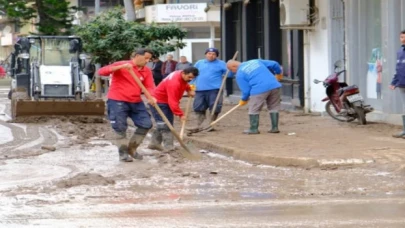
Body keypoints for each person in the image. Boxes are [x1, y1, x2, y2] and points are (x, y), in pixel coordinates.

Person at [98, 48, 156, 162]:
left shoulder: (146, 71)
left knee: (146, 124)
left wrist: (152, 97)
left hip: (135, 101)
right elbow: (101, 71)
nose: (147, 61)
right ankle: (123, 153)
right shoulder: (122, 64)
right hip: (117, 100)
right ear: (137, 56)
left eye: (149, 59)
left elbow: (149, 86)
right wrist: (120, 67)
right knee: (120, 127)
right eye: (146, 58)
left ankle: (132, 148)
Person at [148, 67, 199, 152]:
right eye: (189, 77)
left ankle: (154, 143)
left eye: (192, 78)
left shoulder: (180, 74)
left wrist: (189, 89)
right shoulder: (174, 83)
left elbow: (185, 83)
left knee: (163, 124)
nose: (190, 79)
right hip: (158, 102)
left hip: (165, 101)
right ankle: (169, 147)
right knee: (166, 125)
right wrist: (180, 114)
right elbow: (173, 101)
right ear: (183, 73)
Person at [226, 59, 282, 134]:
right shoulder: (255, 61)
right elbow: (275, 63)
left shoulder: (240, 74)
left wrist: (244, 100)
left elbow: (246, 91)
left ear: (234, 66)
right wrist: (278, 74)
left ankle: (253, 128)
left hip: (259, 89)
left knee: (253, 108)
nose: (232, 72)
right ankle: (275, 128)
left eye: (231, 69)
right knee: (273, 107)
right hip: (274, 85)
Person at [188, 47, 231, 132]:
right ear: (205, 54)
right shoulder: (199, 63)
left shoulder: (221, 63)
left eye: (213, 54)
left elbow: (228, 75)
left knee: (215, 107)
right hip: (200, 89)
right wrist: (190, 86)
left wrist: (230, 70)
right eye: (209, 53)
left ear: (216, 56)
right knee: (198, 107)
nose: (211, 55)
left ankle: (210, 125)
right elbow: (193, 75)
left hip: (215, 90)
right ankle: (199, 125)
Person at [390, 29, 405, 139]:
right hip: (402, 84)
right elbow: (398, 68)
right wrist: (394, 82)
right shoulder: (400, 51)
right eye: (401, 37)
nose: (402, 39)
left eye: (404, 37)